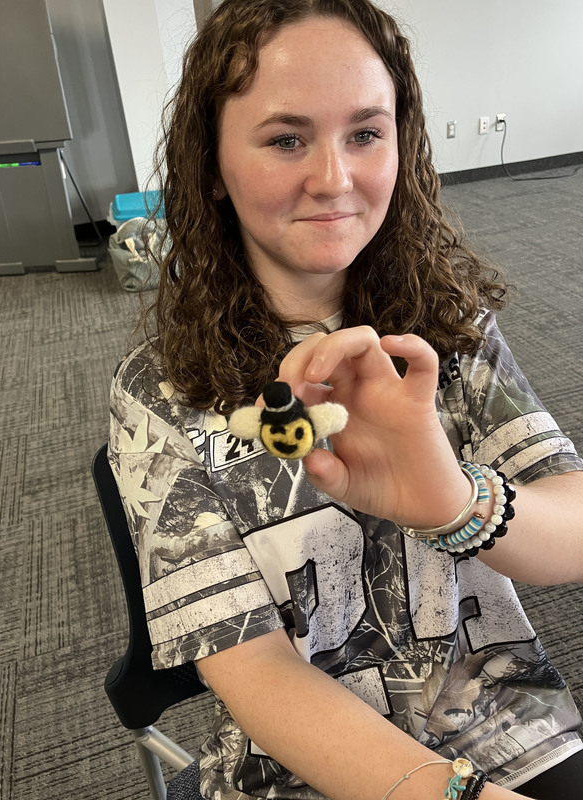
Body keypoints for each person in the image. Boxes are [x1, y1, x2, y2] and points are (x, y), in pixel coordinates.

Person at [108, 1, 583, 798]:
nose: (335, 179)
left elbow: (570, 534)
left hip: (506, 725)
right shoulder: (159, 391)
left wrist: (456, 503)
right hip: (301, 767)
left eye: (365, 132)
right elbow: (255, 670)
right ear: (213, 166)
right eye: (286, 139)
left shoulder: (450, 331)